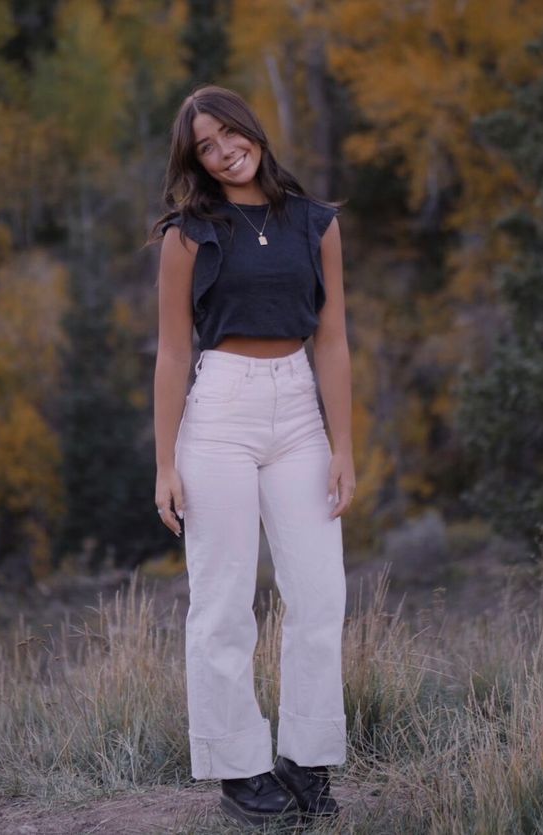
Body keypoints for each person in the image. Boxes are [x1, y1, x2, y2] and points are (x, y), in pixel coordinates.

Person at [151, 85, 355, 828]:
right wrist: (165, 464)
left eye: (227, 133)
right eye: (204, 145)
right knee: (222, 601)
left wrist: (344, 447)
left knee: (319, 594)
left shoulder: (314, 223)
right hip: (220, 413)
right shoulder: (188, 236)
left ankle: (305, 756)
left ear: (251, 129)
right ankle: (240, 766)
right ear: (196, 160)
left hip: (299, 409)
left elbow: (332, 341)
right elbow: (173, 354)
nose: (222, 149)